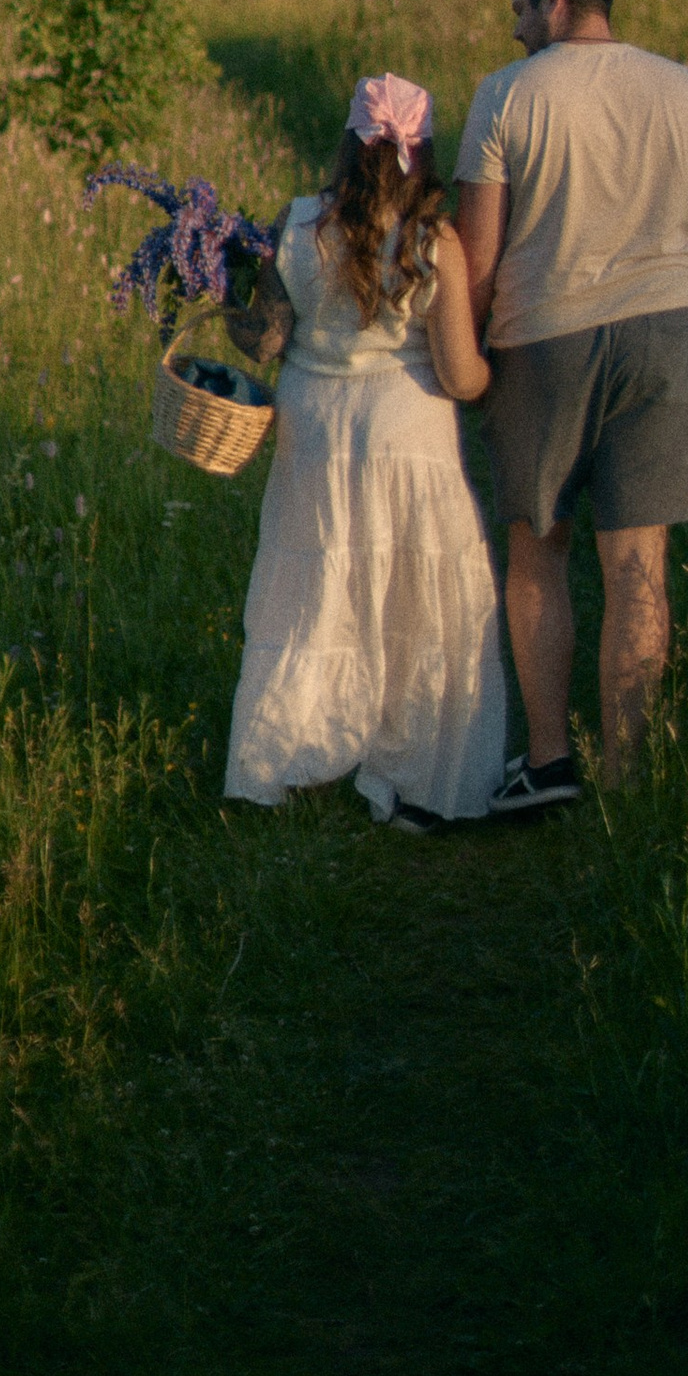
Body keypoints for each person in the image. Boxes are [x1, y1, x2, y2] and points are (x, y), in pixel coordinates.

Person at [454, 0, 688, 811]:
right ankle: (629, 780)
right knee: (638, 566)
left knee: (538, 550)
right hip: (665, 336)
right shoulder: (685, 87)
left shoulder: (506, 97)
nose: (515, 29)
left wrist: (464, 360)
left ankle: (550, 763)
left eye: (518, 7)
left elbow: (478, 254)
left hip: (543, 338)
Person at [222, 71, 509, 830]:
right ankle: (418, 771)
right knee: (416, 597)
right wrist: (499, 369)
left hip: (313, 430)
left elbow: (264, 341)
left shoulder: (298, 223)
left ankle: (290, 752)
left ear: (349, 143)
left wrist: (228, 284)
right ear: (423, 150)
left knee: (313, 592)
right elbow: (459, 374)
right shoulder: (432, 239)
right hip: (404, 430)